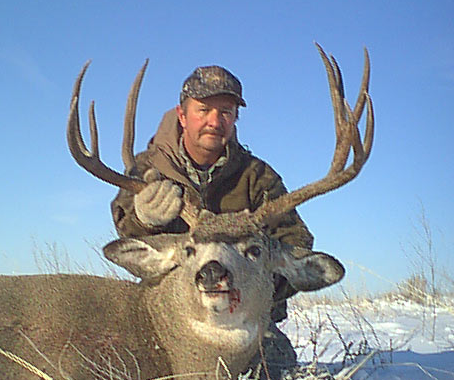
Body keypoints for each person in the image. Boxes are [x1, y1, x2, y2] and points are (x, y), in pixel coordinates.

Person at [111, 65, 314, 322]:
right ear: (182, 116)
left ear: (235, 118)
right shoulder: (146, 169)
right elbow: (129, 240)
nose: (215, 122)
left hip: (242, 314)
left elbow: (294, 240)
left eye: (226, 112)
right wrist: (143, 219)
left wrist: (253, 283)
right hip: (170, 312)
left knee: (274, 361)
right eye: (204, 110)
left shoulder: (258, 176)